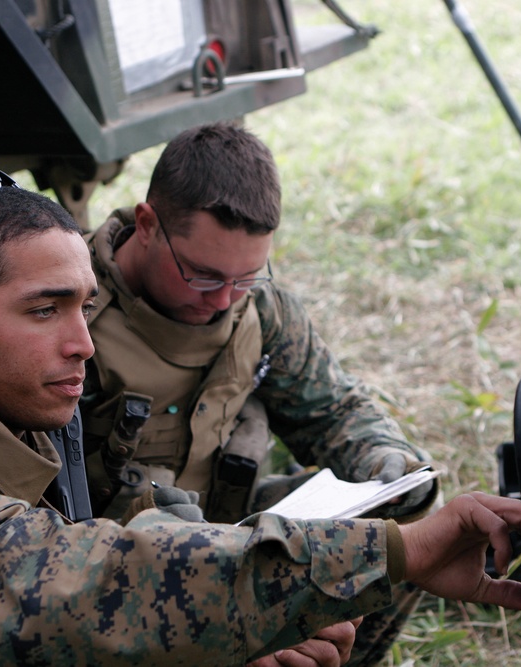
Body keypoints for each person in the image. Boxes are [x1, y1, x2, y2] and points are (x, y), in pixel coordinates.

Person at [0, 164, 521, 667]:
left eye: (81, 304)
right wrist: (395, 553)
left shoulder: (2, 399)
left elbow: (111, 549)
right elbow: (66, 586)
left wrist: (232, 636)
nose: (81, 342)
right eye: (44, 310)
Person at [80, 121, 440, 664]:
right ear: (148, 224)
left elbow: (332, 409)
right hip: (115, 566)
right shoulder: (67, 315)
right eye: (202, 275)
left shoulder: (260, 311)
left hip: (235, 529)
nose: (225, 300)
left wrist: (382, 458)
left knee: (400, 541)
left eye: (246, 277)